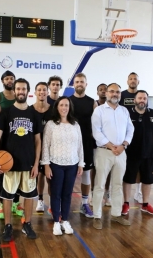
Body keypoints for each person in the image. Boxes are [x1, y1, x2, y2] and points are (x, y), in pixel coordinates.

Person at [0, 78, 41, 242]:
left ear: (28, 91)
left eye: (23, 89)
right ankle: (9, 226)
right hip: (9, 164)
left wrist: (37, 163)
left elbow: (38, 140)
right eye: (18, 89)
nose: (20, 91)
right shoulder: (6, 113)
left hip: (28, 163)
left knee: (30, 195)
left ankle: (28, 223)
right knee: (8, 197)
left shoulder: (34, 114)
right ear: (15, 91)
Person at [91, 83, 134, 229]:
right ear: (106, 94)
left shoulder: (124, 111)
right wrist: (110, 145)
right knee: (100, 184)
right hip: (104, 152)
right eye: (112, 91)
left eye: (117, 92)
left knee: (117, 185)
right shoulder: (99, 111)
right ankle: (97, 216)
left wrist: (124, 145)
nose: (114, 94)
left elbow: (130, 129)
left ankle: (116, 214)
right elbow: (96, 131)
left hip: (121, 153)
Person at [42, 96, 84, 235]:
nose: (64, 108)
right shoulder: (51, 124)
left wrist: (80, 163)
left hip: (72, 165)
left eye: (66, 105)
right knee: (56, 194)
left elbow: (80, 146)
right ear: (57, 107)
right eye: (61, 105)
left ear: (70, 107)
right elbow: (45, 146)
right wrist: (46, 165)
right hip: (56, 164)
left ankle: (65, 220)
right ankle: (56, 222)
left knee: (67, 194)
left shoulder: (75, 124)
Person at [121, 90, 153, 217]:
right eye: (140, 98)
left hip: (148, 154)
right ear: (135, 100)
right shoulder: (127, 113)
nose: (142, 100)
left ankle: (145, 204)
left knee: (148, 180)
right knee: (128, 179)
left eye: (144, 98)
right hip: (131, 153)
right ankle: (126, 203)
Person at [0, 71, 24, 218]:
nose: (10, 80)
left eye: (12, 78)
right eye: (7, 78)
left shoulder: (19, 96)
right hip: (2, 139)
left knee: (16, 171)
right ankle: (2, 203)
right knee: (2, 171)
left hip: (17, 139)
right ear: (2, 81)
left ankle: (16, 203)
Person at [69, 73, 97, 218]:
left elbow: (97, 126)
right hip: (70, 143)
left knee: (86, 173)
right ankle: (64, 203)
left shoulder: (93, 102)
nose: (79, 84)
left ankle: (84, 203)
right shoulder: (67, 101)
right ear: (73, 84)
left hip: (86, 143)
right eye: (77, 81)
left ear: (86, 84)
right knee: (68, 174)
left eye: (82, 82)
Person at [120, 72, 143, 203]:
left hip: (138, 135)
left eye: (135, 79)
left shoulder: (142, 95)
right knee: (122, 165)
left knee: (138, 166)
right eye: (131, 79)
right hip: (123, 135)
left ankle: (138, 192)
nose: (133, 81)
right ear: (127, 81)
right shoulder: (122, 95)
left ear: (138, 82)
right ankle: (116, 192)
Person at [31, 82, 54, 213]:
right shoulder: (30, 109)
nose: (42, 92)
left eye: (44, 90)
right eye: (39, 90)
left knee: (51, 176)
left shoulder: (54, 109)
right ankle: (40, 200)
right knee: (39, 175)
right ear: (35, 92)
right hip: (35, 148)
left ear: (47, 92)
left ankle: (51, 203)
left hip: (51, 148)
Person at [91, 83, 112, 207]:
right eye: (101, 90)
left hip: (109, 144)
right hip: (96, 143)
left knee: (108, 170)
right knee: (96, 169)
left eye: (105, 90)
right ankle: (94, 193)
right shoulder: (94, 105)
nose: (103, 92)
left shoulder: (113, 106)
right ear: (97, 92)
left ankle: (107, 193)